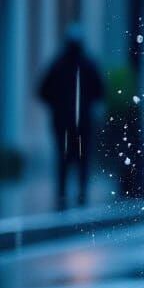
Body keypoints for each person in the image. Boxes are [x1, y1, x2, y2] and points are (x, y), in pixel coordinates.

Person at [37, 23, 106, 210]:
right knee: (80, 158)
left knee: (64, 157)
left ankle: (63, 194)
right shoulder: (86, 64)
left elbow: (42, 91)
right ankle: (79, 194)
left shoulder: (59, 65)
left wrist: (58, 105)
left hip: (64, 121)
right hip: (80, 121)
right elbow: (100, 91)